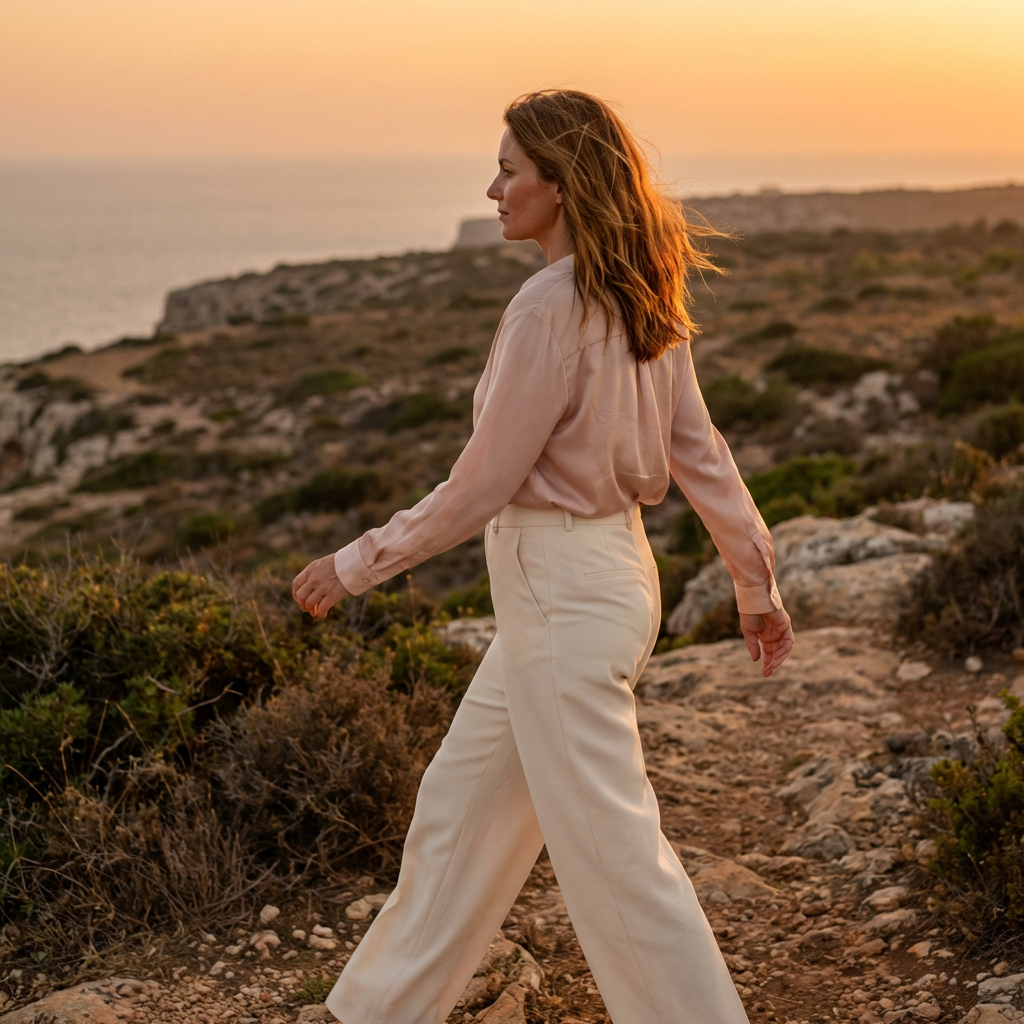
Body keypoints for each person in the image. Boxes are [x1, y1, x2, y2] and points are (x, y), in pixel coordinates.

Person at [292, 88, 794, 1024]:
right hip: (600, 585)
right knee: (461, 813)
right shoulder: (643, 291)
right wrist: (753, 582)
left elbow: (482, 485)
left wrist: (357, 562)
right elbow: (704, 455)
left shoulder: (547, 306)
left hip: (563, 595)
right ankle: (371, 1011)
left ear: (559, 186)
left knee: (614, 854)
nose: (492, 189)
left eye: (510, 171)